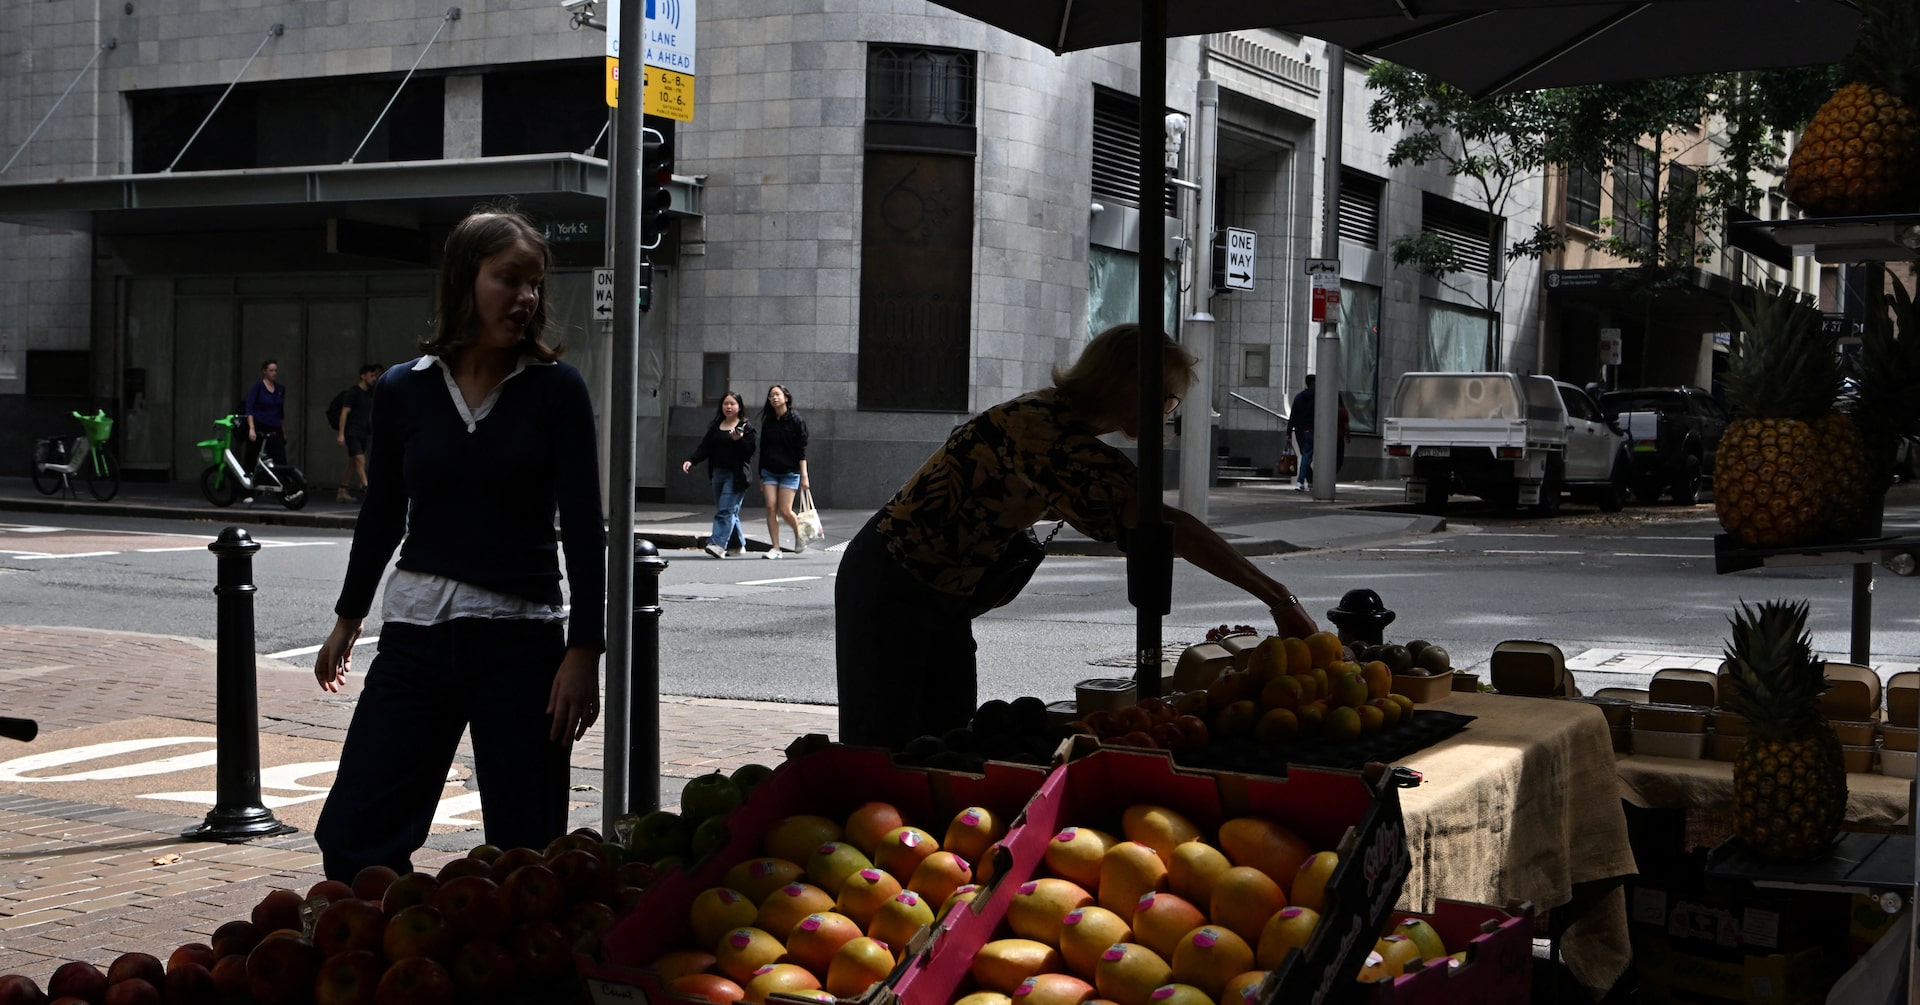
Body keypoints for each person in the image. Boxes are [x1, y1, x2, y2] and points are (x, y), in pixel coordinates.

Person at [834, 323, 1320, 748]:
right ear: (1131, 387)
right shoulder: (1050, 436)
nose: (1167, 413)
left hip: (937, 595)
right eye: (1167, 399)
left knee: (943, 737)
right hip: (893, 588)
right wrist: (1277, 596)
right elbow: (1165, 527)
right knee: (889, 749)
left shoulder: (1060, 424)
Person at [309, 206, 607, 882]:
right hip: (416, 640)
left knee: (525, 852)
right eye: (509, 280)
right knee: (355, 834)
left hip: (522, 644)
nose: (526, 298)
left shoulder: (555, 391)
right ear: (463, 281)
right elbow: (383, 512)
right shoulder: (402, 390)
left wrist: (583, 651)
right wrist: (349, 617)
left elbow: (586, 527)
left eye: (535, 283)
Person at [682, 391, 756, 558]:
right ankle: (737, 545)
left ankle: (718, 544)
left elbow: (749, 453)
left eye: (732, 404)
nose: (728, 407)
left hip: (736, 475)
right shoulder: (716, 426)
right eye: (725, 404)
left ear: (739, 406)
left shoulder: (746, 427)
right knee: (728, 511)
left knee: (726, 510)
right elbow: (705, 447)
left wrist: (739, 440)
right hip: (717, 473)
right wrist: (692, 460)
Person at [756, 384, 810, 558]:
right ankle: (776, 548)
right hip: (769, 471)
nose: (774, 398)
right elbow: (763, 449)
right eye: (771, 395)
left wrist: (804, 475)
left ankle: (800, 535)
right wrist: (761, 475)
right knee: (771, 507)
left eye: (777, 394)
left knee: (785, 510)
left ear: (786, 398)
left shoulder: (796, 420)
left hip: (790, 471)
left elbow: (801, 450)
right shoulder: (768, 421)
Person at [334, 363, 380, 503]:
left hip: (364, 432)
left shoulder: (370, 394)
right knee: (360, 459)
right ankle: (368, 488)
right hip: (352, 432)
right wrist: (341, 434)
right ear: (363, 376)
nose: (373, 378)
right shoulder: (353, 393)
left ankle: (342, 490)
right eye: (371, 375)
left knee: (353, 463)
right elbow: (344, 413)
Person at [242, 358, 289, 476]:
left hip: (275, 426)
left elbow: (280, 411)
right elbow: (249, 408)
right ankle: (246, 489)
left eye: (275, 371)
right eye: (271, 370)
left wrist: (283, 431)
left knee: (280, 458)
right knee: (251, 456)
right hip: (259, 425)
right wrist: (251, 428)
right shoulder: (257, 387)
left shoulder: (280, 389)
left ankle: (284, 488)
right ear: (265, 371)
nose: (274, 373)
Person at [1286, 373, 1315, 491]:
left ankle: (1311, 481)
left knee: (1305, 456)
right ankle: (1300, 481)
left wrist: (1288, 432)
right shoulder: (1316, 397)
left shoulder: (1299, 397)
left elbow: (1292, 416)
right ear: (1313, 383)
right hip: (1310, 430)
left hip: (1299, 431)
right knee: (1307, 455)